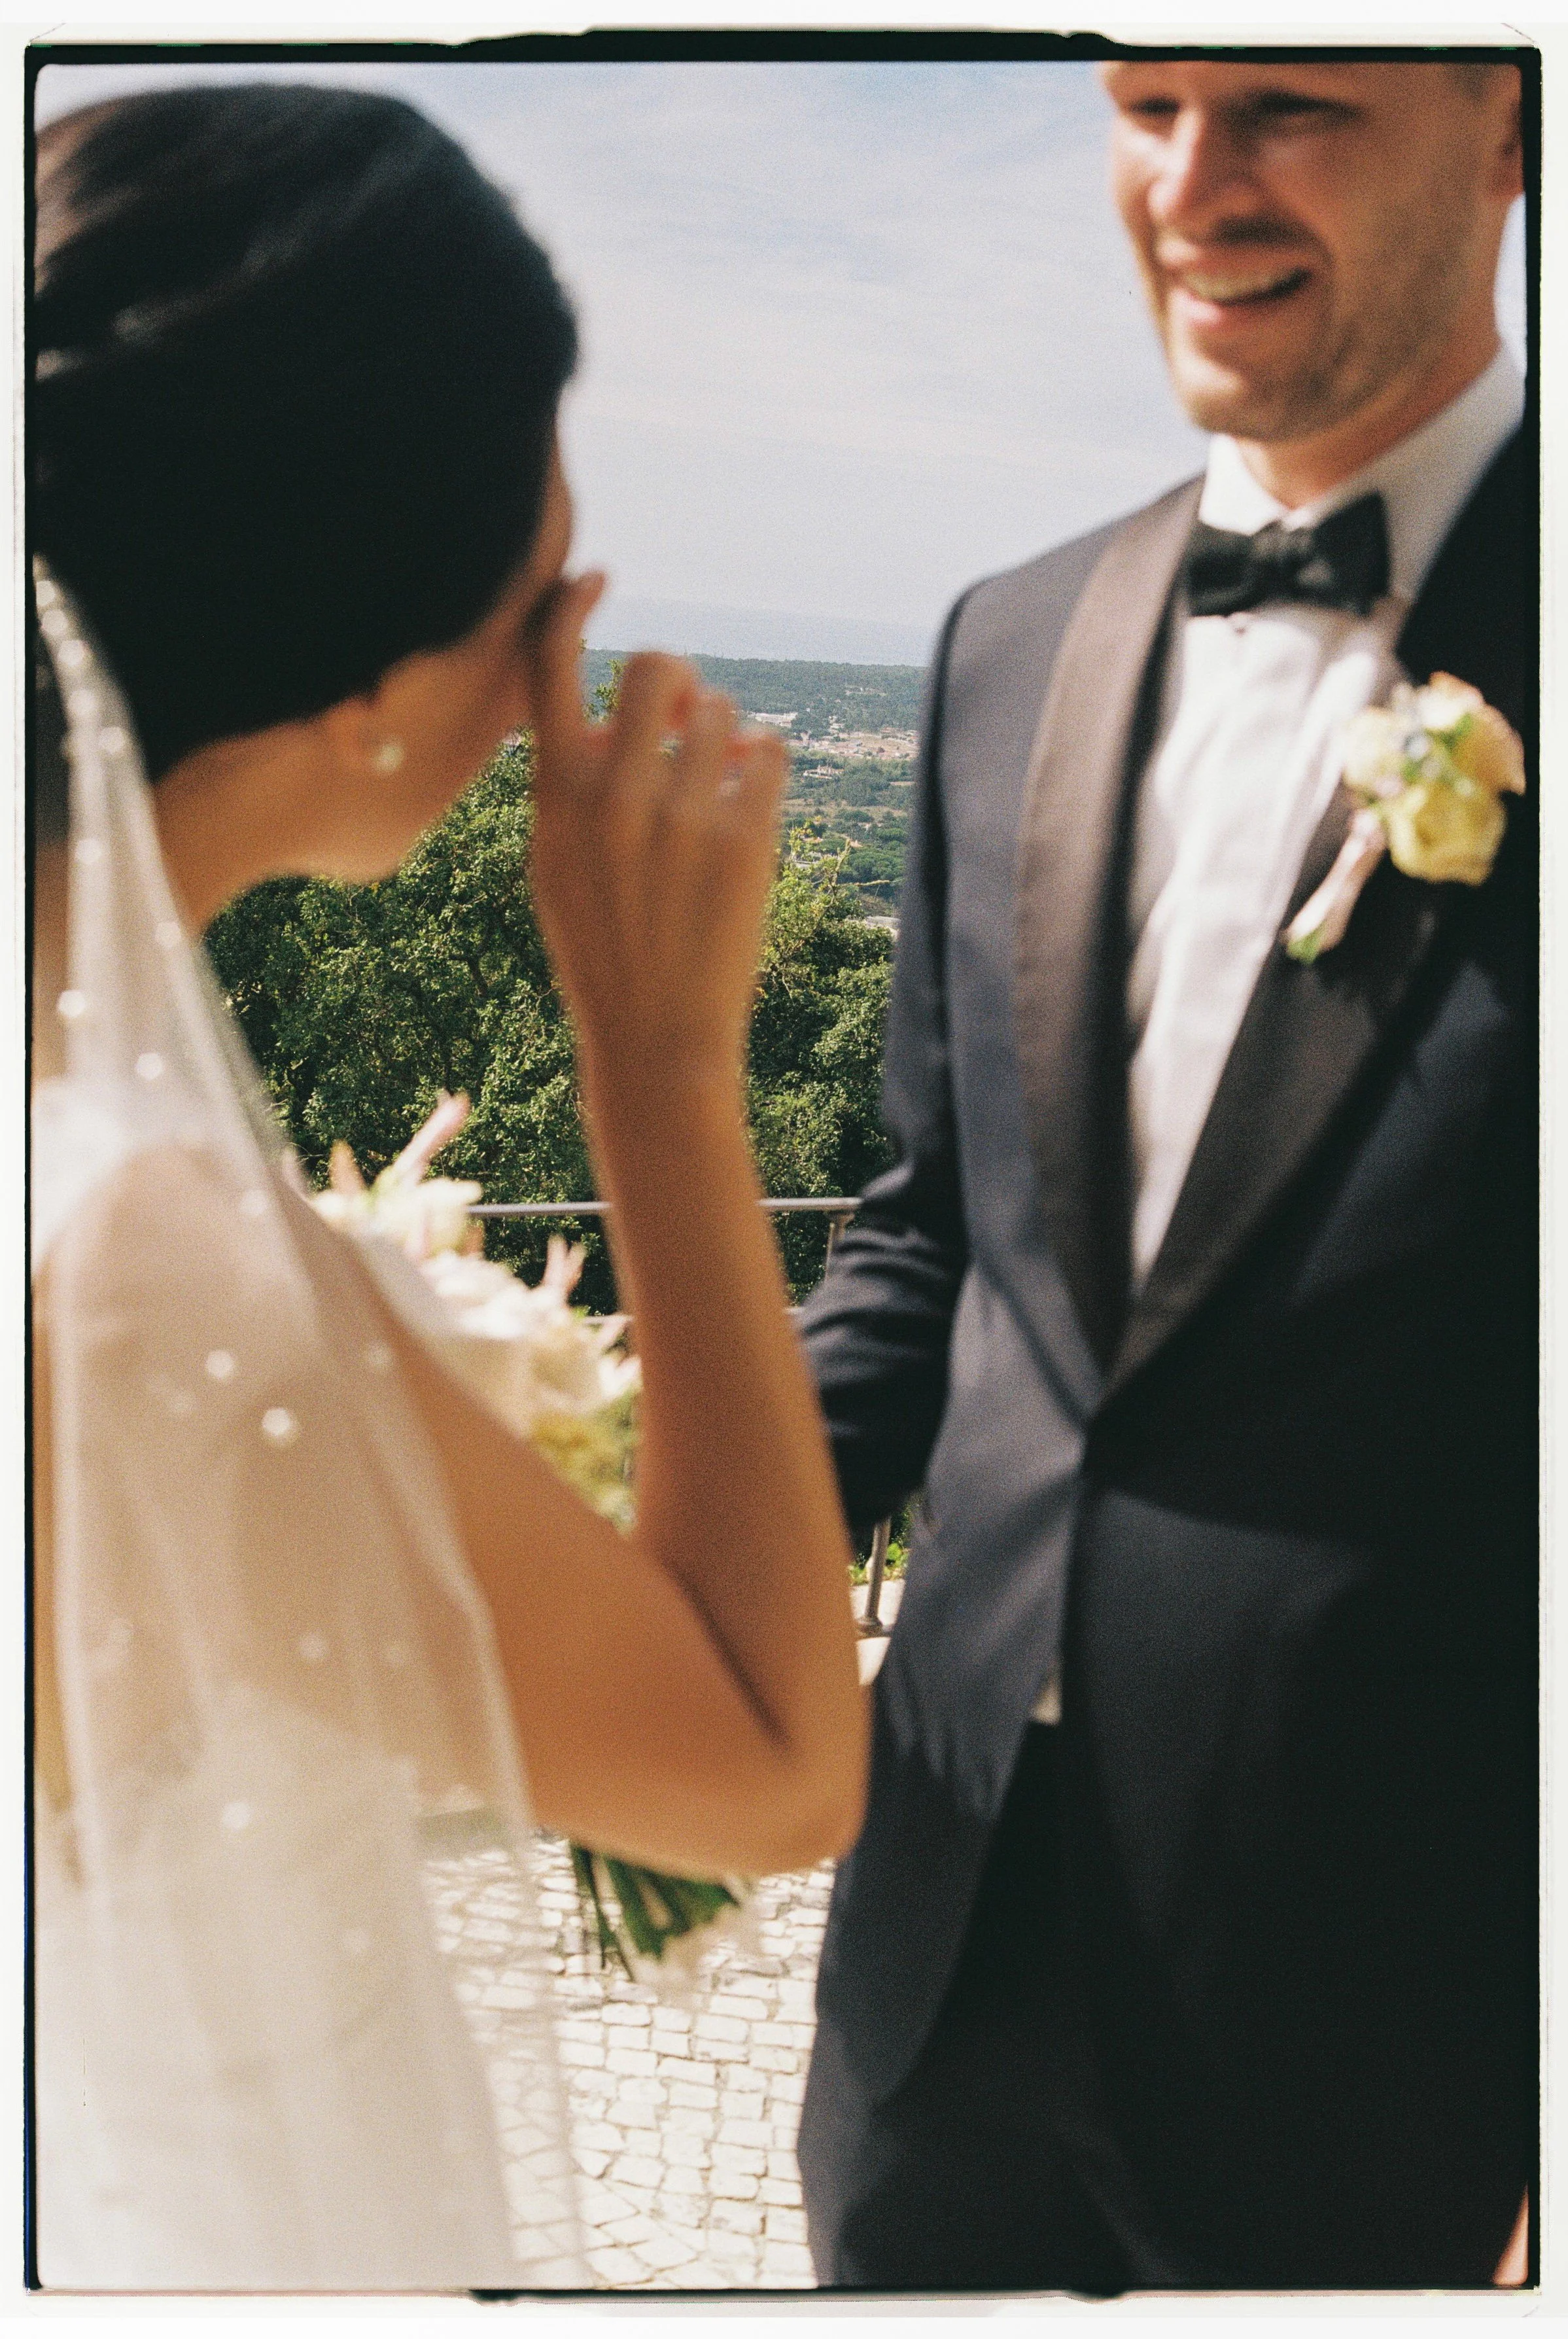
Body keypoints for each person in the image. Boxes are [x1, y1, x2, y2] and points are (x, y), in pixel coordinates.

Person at [29, 84, 866, 2292]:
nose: (542, 678)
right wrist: (659, 1062)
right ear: (370, 669)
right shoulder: (143, 1261)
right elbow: (776, 1763)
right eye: (534, 588)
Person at [795, 56, 1534, 2293]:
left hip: (1393, 2027)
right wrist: (642, 1556)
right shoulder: (1001, 642)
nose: (1193, 186)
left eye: (1287, 101)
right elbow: (931, 1243)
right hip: (931, 1948)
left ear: (1510, 121)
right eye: (1143, 102)